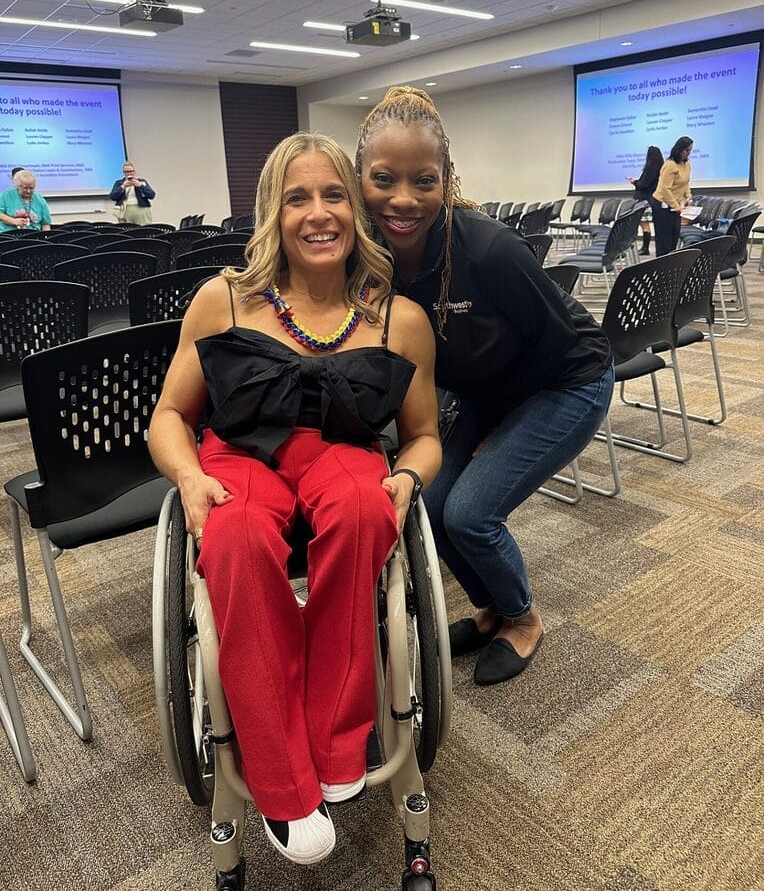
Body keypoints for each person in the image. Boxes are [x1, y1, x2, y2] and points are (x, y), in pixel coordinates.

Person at [148, 133, 440, 866]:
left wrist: (407, 478)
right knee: (236, 535)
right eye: (297, 198)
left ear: (355, 210)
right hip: (240, 455)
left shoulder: (397, 318)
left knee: (367, 510)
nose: (318, 213)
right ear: (271, 214)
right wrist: (188, 477)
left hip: (341, 452)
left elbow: (425, 438)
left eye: (334, 194)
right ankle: (281, 780)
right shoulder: (223, 300)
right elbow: (169, 417)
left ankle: (336, 738)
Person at [356, 86, 614, 688]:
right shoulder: (370, 256)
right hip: (485, 389)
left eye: (424, 181)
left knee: (471, 513)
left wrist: (497, 427)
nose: (403, 199)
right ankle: (491, 608)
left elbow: (556, 345)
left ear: (446, 179)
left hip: (567, 380)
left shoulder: (491, 250)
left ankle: (523, 619)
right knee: (429, 504)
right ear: (360, 178)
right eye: (384, 179)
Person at [652, 136, 693, 256]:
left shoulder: (687, 165)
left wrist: (688, 197)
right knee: (664, 239)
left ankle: (671, 262)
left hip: (675, 206)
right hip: (662, 205)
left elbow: (685, 183)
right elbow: (665, 189)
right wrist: (676, 206)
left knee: (674, 235)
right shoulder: (670, 165)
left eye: (690, 150)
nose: (688, 153)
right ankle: (662, 264)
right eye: (686, 150)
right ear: (679, 149)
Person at [628, 145, 664, 255]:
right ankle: (645, 247)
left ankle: (645, 248)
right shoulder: (660, 168)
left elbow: (644, 184)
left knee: (644, 224)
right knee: (644, 223)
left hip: (645, 200)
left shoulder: (650, 168)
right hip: (650, 199)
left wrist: (635, 182)